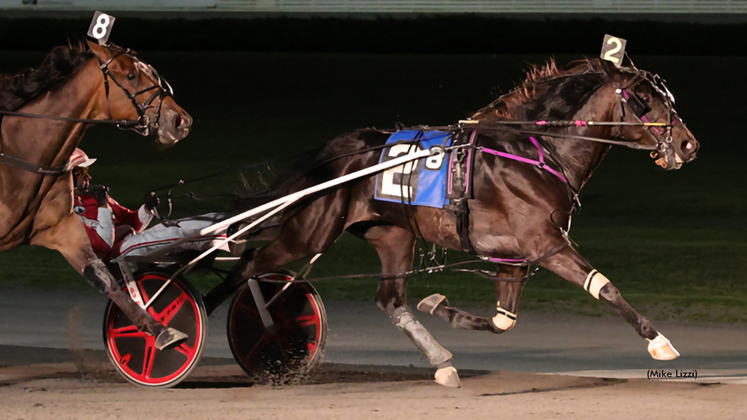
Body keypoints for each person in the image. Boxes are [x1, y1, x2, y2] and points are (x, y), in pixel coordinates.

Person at [71, 148, 230, 263]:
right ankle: (227, 236)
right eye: (83, 173)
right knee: (174, 232)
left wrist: (146, 209)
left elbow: (131, 222)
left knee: (177, 225)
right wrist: (103, 206)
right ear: (69, 176)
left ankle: (229, 224)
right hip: (120, 253)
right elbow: (103, 244)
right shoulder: (69, 214)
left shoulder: (94, 197)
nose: (89, 177)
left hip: (134, 240)